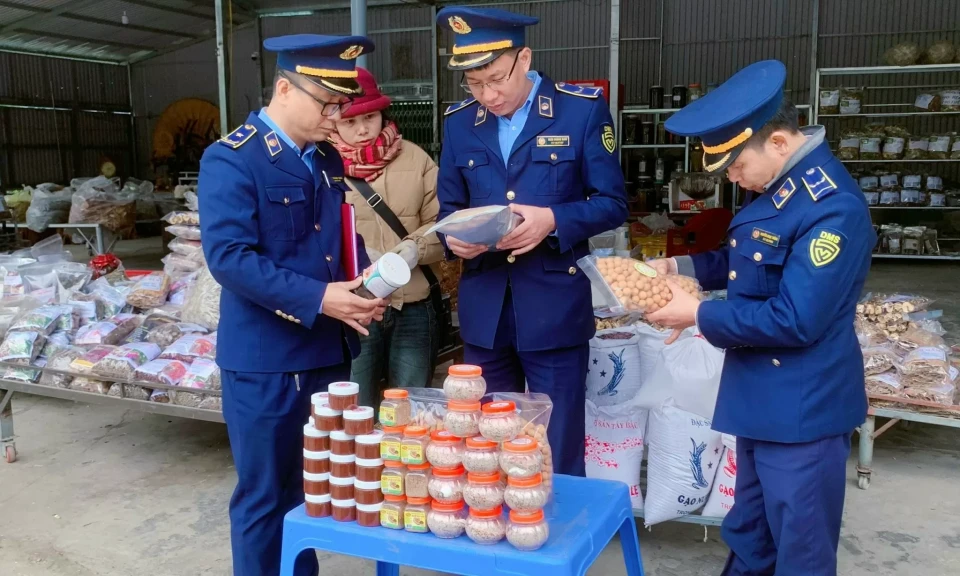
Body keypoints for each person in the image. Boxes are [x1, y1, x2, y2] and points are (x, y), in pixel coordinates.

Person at [645, 60, 876, 576]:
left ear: (776, 142)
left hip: (802, 409)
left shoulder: (830, 208)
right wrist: (680, 266)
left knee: (801, 547)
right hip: (759, 398)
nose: (730, 176)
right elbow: (751, 262)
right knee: (751, 534)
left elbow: (796, 319)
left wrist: (701, 314)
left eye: (734, 164)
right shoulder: (778, 189)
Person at [199, 35, 386, 576]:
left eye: (341, 105)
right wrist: (320, 297)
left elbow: (329, 238)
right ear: (285, 88)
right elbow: (229, 258)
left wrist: (365, 280)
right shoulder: (232, 159)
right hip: (267, 361)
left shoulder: (324, 157)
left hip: (326, 351)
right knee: (264, 497)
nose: (338, 117)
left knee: (310, 494)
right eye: (328, 105)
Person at [434, 6, 628, 476]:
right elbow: (447, 211)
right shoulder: (460, 123)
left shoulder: (579, 111)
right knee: (490, 447)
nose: (488, 95)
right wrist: (455, 241)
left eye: (496, 79)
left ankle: (559, 542)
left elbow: (613, 203)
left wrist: (553, 219)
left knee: (556, 447)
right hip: (485, 311)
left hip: (555, 307)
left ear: (525, 59)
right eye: (474, 85)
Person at [329, 67, 444, 407]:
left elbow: (443, 222)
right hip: (353, 309)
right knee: (353, 409)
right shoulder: (321, 166)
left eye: (371, 117)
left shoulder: (415, 158)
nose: (363, 129)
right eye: (349, 121)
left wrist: (410, 251)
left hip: (413, 305)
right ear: (332, 121)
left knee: (408, 409)